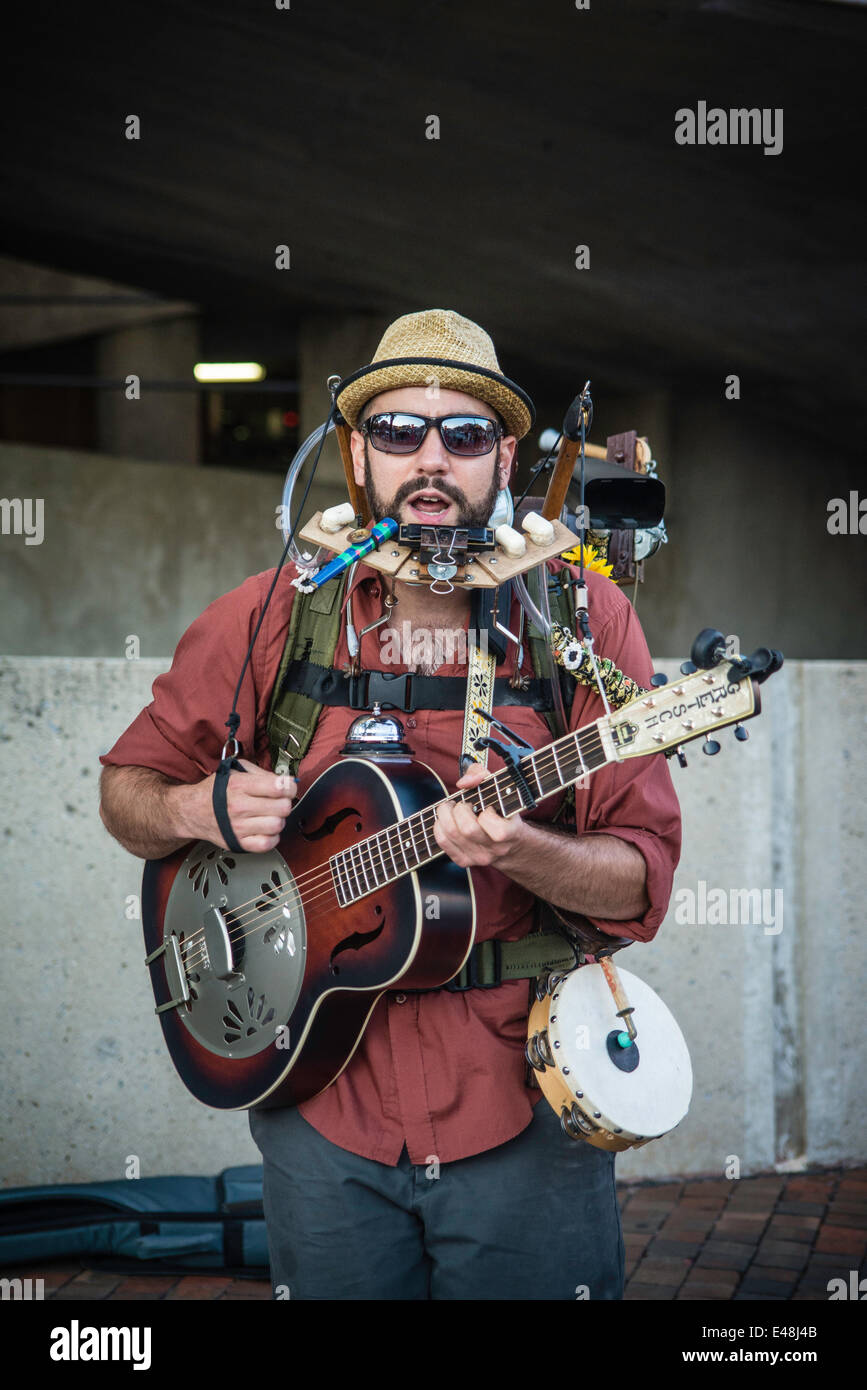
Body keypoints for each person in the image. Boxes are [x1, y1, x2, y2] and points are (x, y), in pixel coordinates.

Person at [99, 308, 682, 1301]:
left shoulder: (582, 621)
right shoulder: (269, 613)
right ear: (357, 457)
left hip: (521, 1108)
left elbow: (642, 883)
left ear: (501, 456)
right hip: (319, 1102)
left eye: (462, 435)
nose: (430, 459)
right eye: (397, 431)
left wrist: (522, 851)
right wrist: (205, 807)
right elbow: (127, 793)